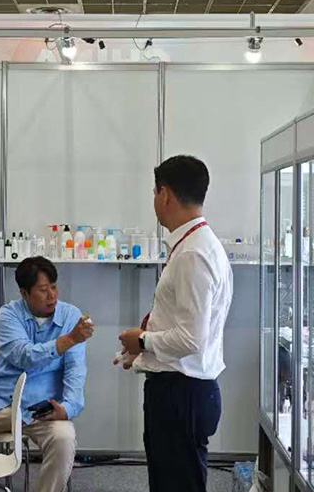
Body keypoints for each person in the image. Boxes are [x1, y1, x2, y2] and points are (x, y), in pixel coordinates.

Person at [115, 155, 233, 492]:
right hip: (182, 389)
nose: (154, 200)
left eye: (155, 192)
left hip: (181, 394)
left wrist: (143, 341)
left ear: (165, 194)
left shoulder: (193, 254)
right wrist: (142, 352)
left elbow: (191, 339)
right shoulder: (195, 245)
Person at [0, 256, 94, 492]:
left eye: (54, 287)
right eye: (43, 290)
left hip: (43, 409)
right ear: (24, 293)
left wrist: (68, 408)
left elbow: (76, 371)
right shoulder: (8, 314)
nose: (52, 295)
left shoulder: (71, 316)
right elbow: (24, 356)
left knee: (64, 439)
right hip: (0, 400)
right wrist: (68, 340)